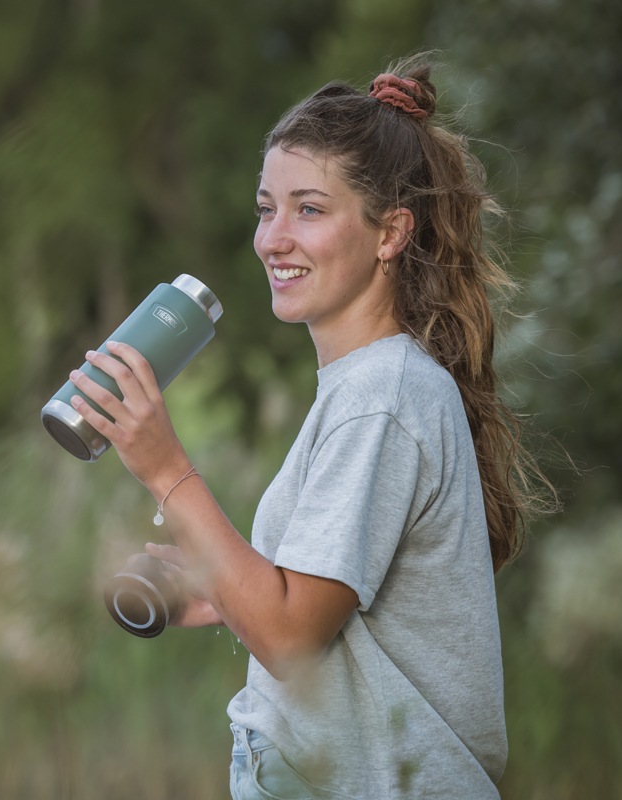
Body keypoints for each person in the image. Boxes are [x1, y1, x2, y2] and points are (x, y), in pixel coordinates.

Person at [67, 57, 556, 798]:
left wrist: (164, 467)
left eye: (310, 210)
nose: (273, 239)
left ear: (391, 233)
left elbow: (290, 638)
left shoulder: (382, 397)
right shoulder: (368, 387)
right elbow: (313, 610)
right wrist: (221, 591)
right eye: (266, 209)